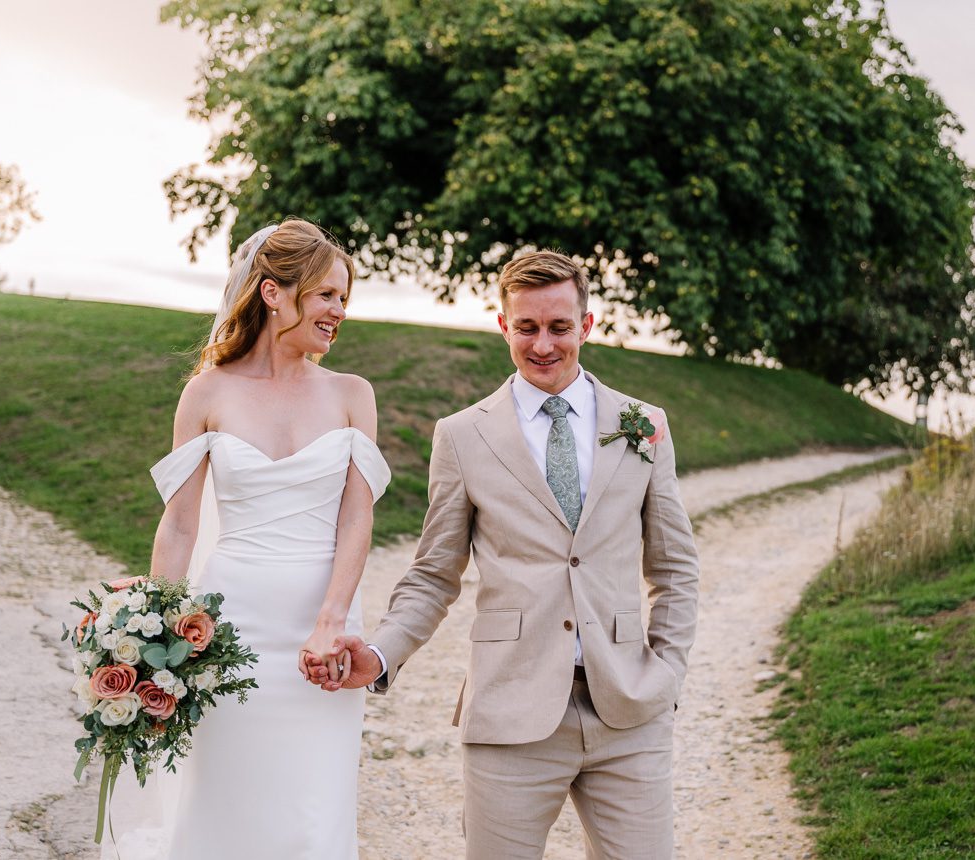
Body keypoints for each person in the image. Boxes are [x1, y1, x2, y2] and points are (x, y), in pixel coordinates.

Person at [308, 250, 699, 859]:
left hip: (629, 710)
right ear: (503, 325)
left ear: (587, 326)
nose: (543, 344)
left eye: (559, 328)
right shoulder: (463, 436)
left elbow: (675, 568)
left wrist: (667, 673)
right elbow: (434, 574)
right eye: (527, 328)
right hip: (510, 713)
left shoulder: (643, 425)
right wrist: (381, 654)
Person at [120, 219, 390, 859]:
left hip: (320, 631)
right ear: (274, 293)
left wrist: (330, 621)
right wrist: (156, 625)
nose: (339, 312)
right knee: (225, 803)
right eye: (327, 294)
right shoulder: (206, 392)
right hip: (227, 625)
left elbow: (357, 517)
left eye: (344, 298)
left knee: (312, 812)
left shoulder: (353, 395)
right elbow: (182, 522)